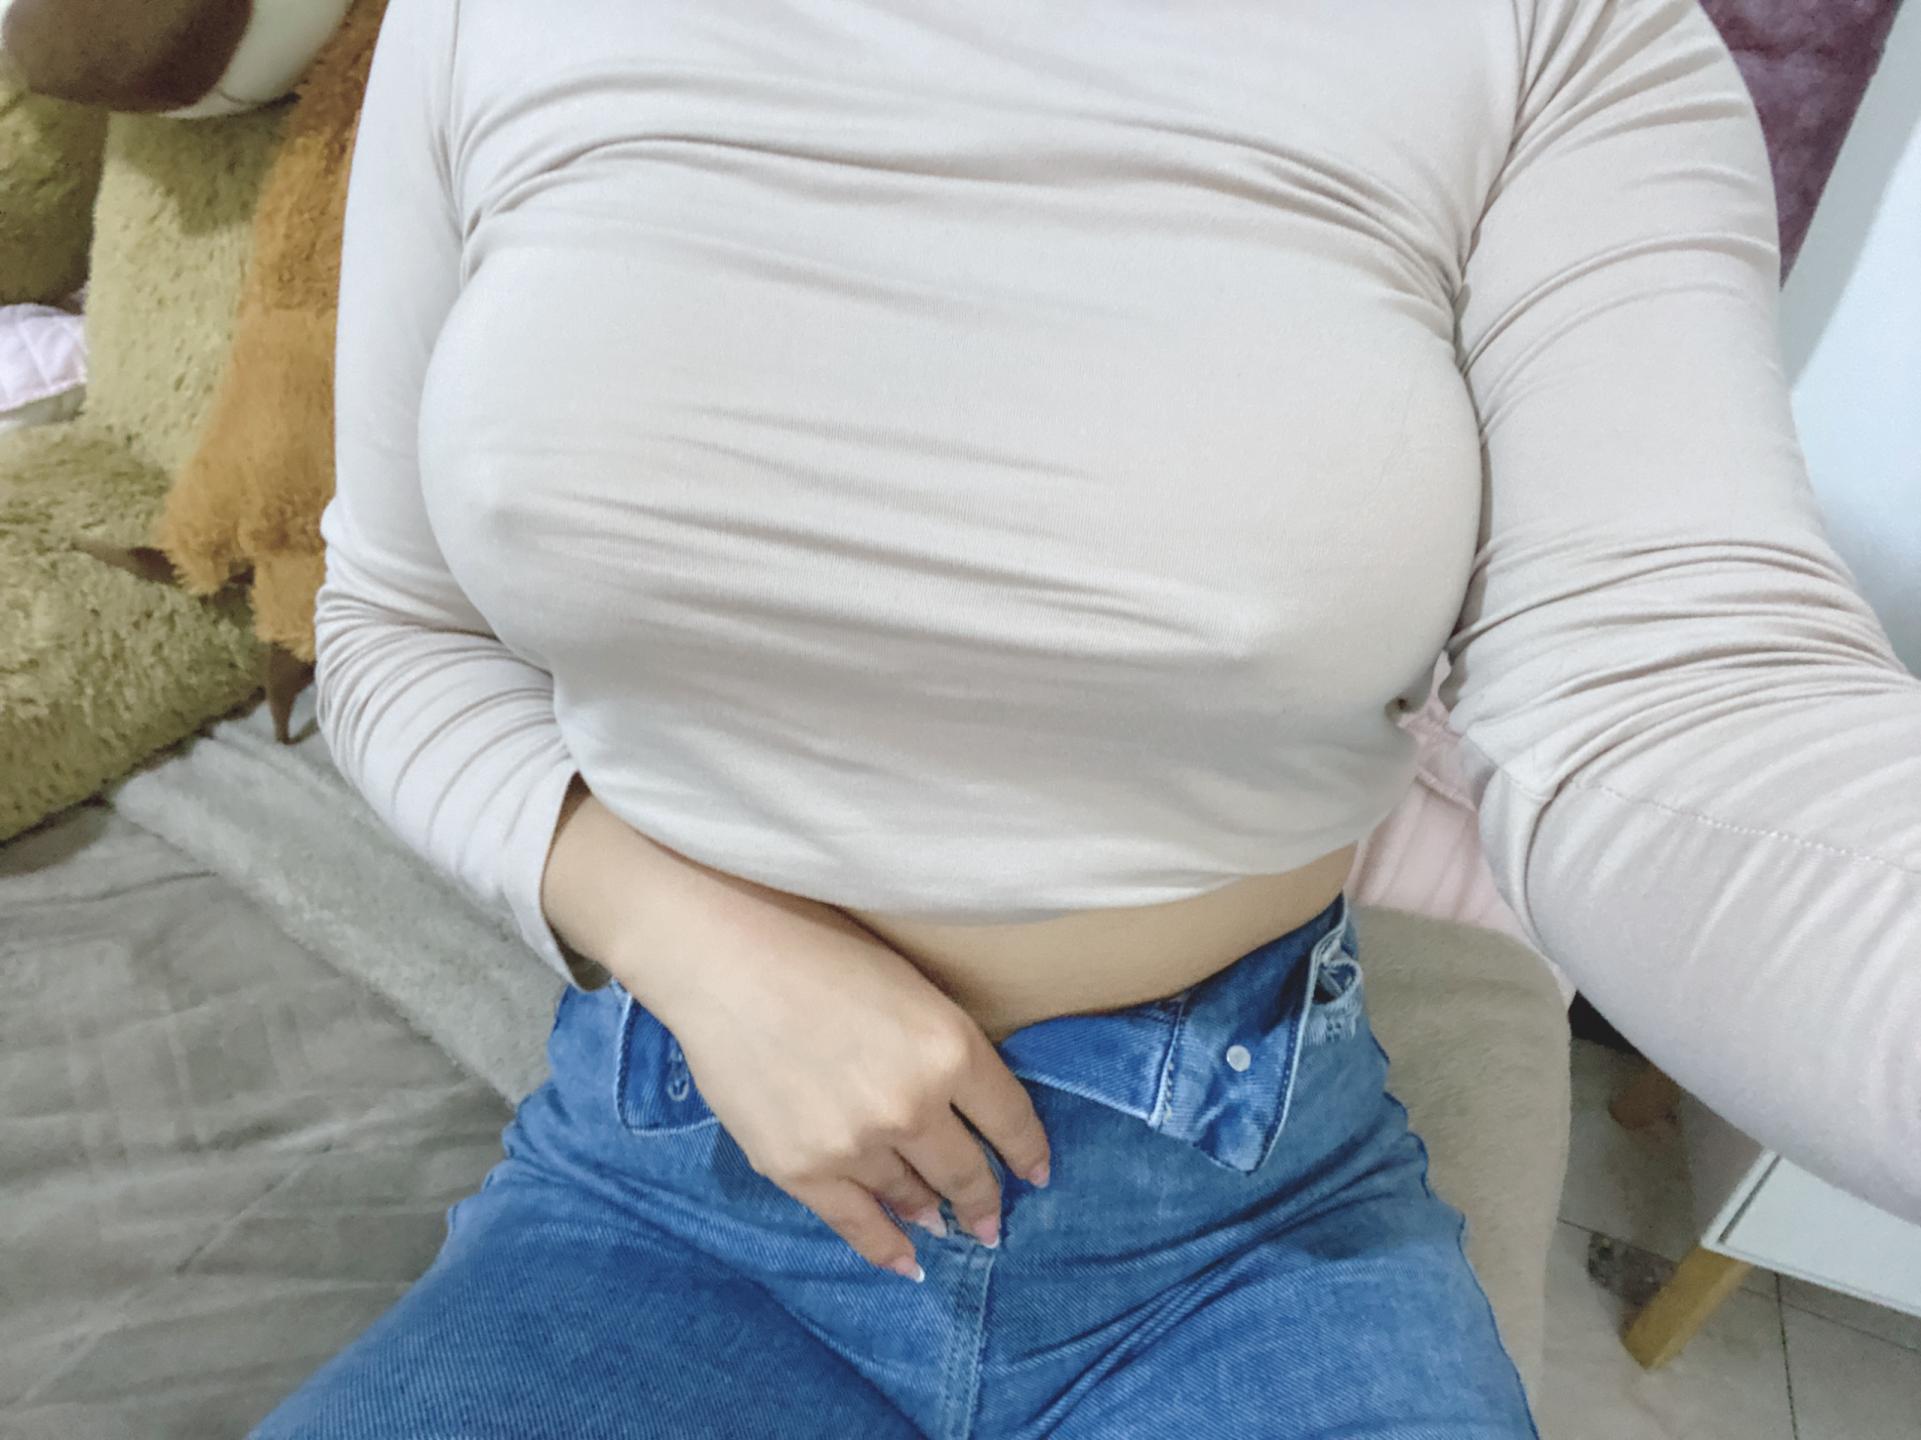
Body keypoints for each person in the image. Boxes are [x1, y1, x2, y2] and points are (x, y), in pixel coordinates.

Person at [254, 0, 1921, 1434]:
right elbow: (396, 628)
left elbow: (1673, 699)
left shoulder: (1545, 36)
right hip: (669, 1184)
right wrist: (683, 939)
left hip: (1240, 1227)